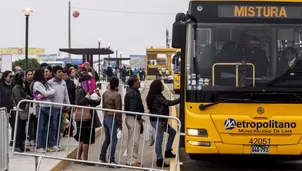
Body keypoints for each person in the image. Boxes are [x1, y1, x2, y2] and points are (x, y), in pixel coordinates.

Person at [146, 79, 180, 167]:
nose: (162, 86)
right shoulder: (157, 97)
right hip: (159, 121)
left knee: (172, 132)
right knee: (159, 140)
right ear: (158, 87)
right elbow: (168, 103)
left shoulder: (154, 95)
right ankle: (159, 159)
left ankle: (168, 151)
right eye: (161, 85)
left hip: (161, 121)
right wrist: (180, 99)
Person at [74, 74, 101, 163]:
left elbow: (95, 103)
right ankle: (84, 159)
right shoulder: (81, 91)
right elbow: (78, 103)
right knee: (85, 140)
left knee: (83, 139)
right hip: (84, 118)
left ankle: (79, 158)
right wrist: (87, 96)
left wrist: (97, 96)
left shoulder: (90, 91)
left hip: (89, 118)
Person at [100, 77, 122, 167]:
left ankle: (102, 157)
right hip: (113, 118)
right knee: (114, 140)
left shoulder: (105, 93)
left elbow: (103, 106)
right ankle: (111, 160)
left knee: (107, 139)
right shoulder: (117, 95)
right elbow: (118, 110)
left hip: (106, 117)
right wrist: (120, 124)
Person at [124, 76, 144, 167]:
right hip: (133, 118)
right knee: (134, 140)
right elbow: (133, 109)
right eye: (137, 81)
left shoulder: (134, 92)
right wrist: (139, 118)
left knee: (133, 140)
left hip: (133, 118)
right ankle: (131, 160)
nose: (139, 82)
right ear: (133, 83)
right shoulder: (132, 93)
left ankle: (132, 159)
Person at [11, 71, 32, 152]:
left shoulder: (22, 86)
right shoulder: (16, 88)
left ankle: (21, 145)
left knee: (23, 129)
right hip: (18, 110)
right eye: (23, 76)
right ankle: (17, 145)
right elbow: (19, 99)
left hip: (23, 110)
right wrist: (27, 98)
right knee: (18, 129)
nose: (25, 78)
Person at [0, 70, 14, 146]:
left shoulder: (14, 85)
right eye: (10, 76)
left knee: (14, 126)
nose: (12, 78)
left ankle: (12, 141)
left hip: (12, 109)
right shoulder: (1, 86)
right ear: (5, 77)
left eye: (13, 76)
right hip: (3, 110)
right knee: (2, 127)